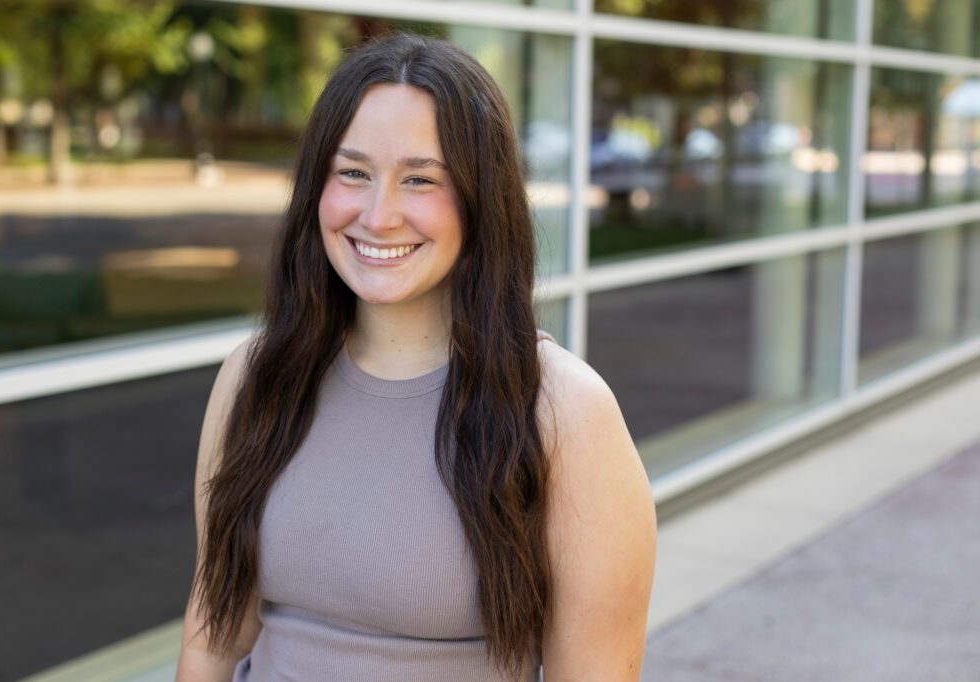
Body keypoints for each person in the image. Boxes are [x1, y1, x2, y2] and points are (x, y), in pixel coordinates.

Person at [176, 32, 656, 682]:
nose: (379, 216)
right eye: (352, 173)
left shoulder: (566, 410)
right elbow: (212, 638)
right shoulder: (255, 376)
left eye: (420, 179)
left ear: (481, 198)